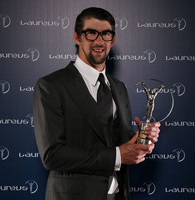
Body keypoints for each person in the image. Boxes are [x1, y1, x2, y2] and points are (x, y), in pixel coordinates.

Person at [33, 7, 160, 200]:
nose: (99, 41)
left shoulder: (119, 87)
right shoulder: (51, 86)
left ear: (113, 40)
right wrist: (117, 156)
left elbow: (119, 145)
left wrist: (142, 139)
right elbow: (52, 155)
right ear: (77, 37)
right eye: (91, 33)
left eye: (106, 34)